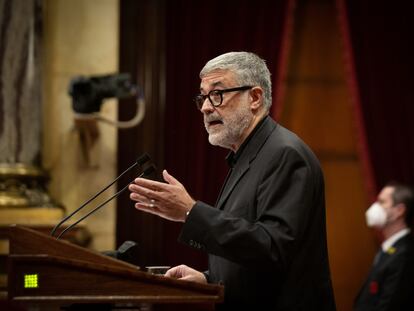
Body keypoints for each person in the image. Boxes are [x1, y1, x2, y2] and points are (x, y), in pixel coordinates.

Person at [128, 51, 336, 310]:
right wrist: (209, 279)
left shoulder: (285, 154)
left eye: (218, 94)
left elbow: (273, 248)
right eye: (203, 96)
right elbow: (251, 254)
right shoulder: (246, 155)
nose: (205, 106)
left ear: (255, 98)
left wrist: (190, 212)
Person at [354, 182, 414, 311]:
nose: (375, 207)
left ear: (399, 210)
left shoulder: (404, 254)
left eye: (382, 202)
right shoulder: (390, 247)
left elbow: (390, 304)